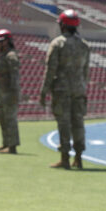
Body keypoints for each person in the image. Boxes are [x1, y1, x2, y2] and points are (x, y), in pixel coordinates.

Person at [39, 9, 90, 169]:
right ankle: (79, 158)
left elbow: (50, 70)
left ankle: (65, 158)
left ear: (62, 25)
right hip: (79, 90)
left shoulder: (58, 43)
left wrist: (43, 91)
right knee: (78, 123)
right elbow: (86, 72)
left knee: (64, 124)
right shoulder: (84, 45)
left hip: (62, 90)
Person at [0, 28, 20, 154]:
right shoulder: (1, 55)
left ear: (6, 42)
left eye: (0, 42)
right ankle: (5, 143)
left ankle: (12, 146)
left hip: (10, 93)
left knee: (10, 120)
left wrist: (13, 93)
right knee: (3, 119)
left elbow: (14, 76)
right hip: (2, 93)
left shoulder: (11, 56)